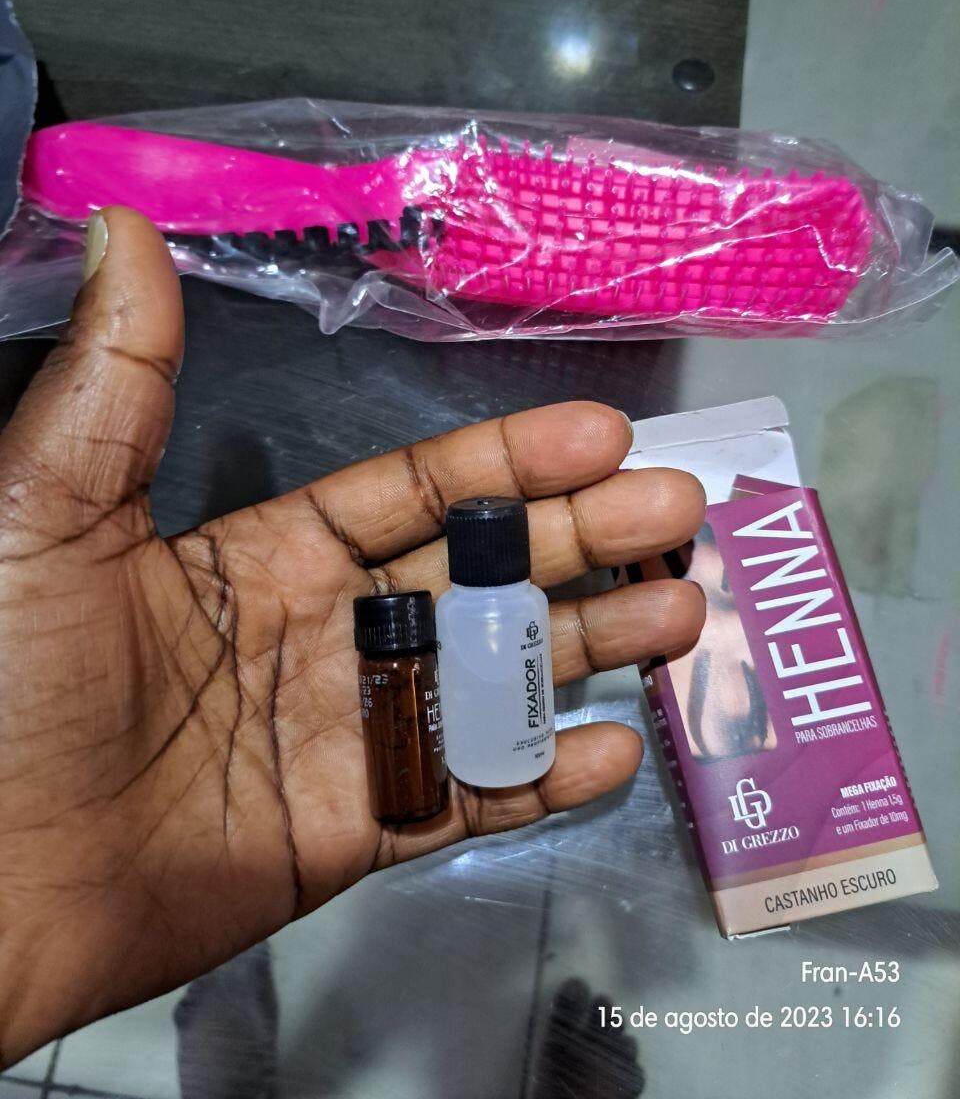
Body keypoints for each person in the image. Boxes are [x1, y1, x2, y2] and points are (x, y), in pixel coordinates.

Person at [0, 207, 705, 1067]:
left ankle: (227, 1055)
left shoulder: (501, 606)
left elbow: (513, 683)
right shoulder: (461, 615)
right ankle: (231, 1055)